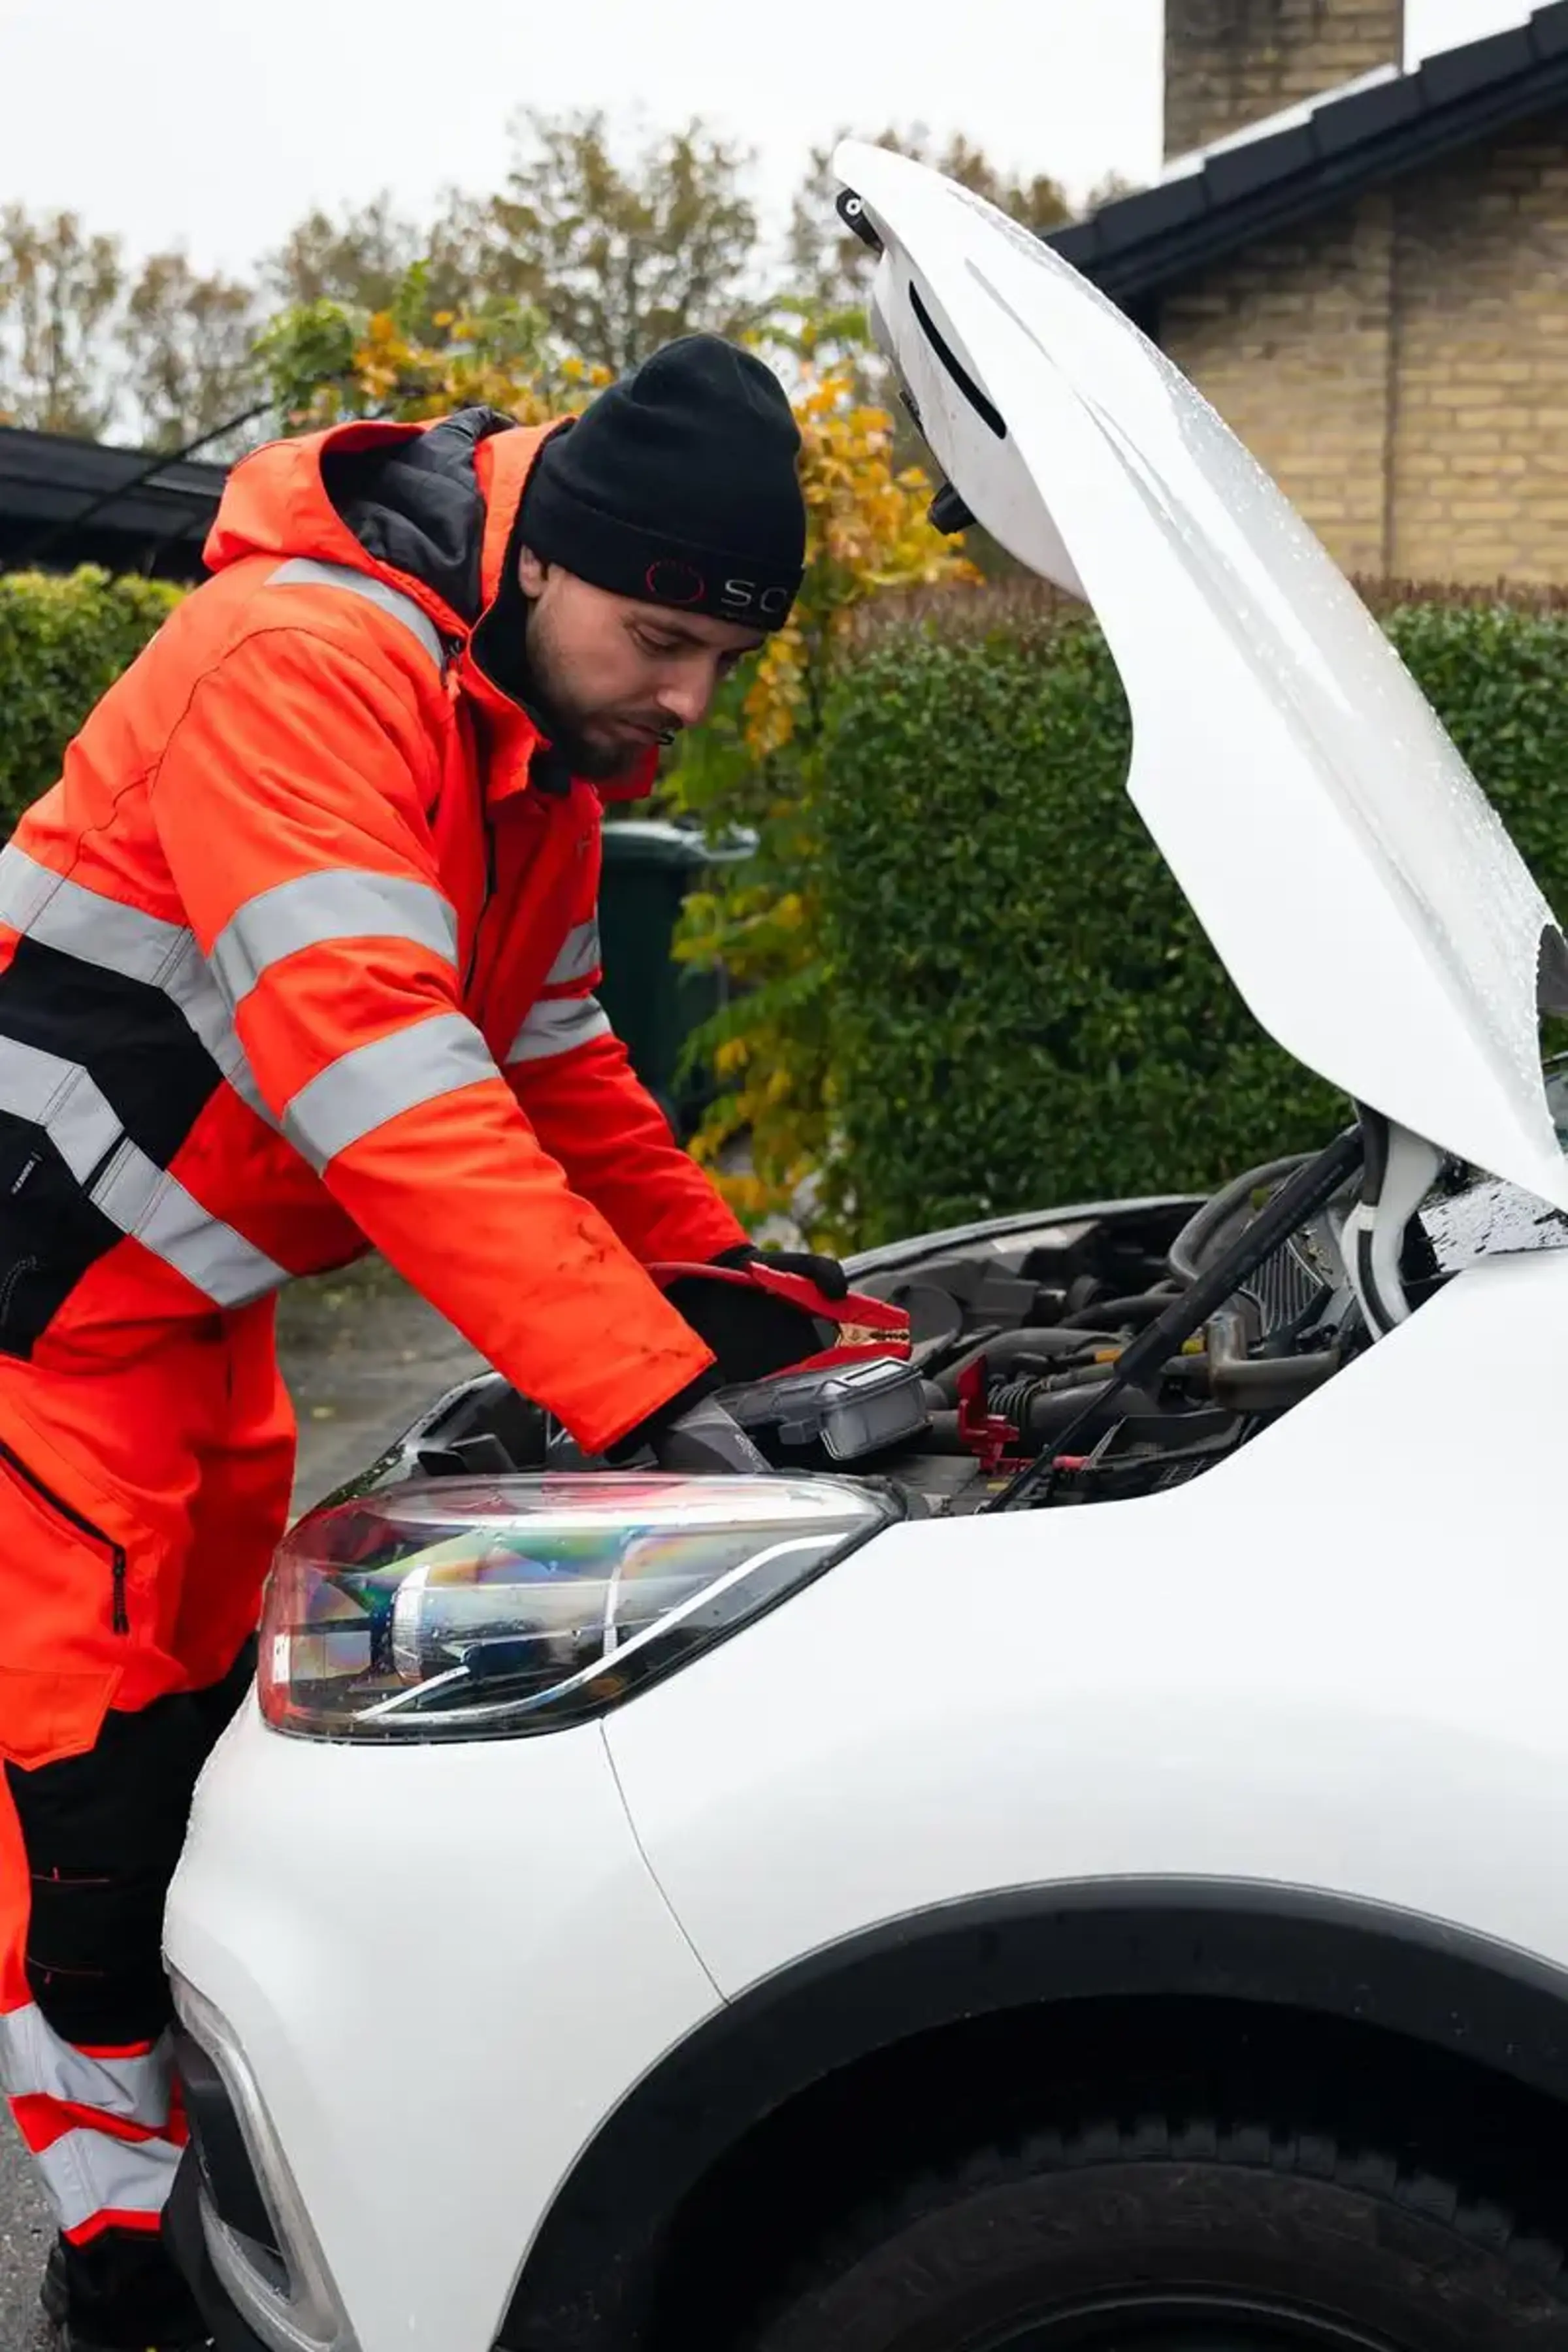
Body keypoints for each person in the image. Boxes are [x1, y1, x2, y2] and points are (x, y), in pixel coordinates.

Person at [0, 333, 846, 2352]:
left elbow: (555, 1062)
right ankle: (117, 2265)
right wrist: (645, 1386)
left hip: (176, 1312)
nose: (688, 701)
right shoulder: (303, 665)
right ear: (541, 558)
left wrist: (752, 1305)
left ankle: (192, 2190)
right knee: (79, 1822)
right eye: (663, 641)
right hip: (34, 1327)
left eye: (725, 662)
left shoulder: (522, 743)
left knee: (201, 1773)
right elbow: (381, 1074)